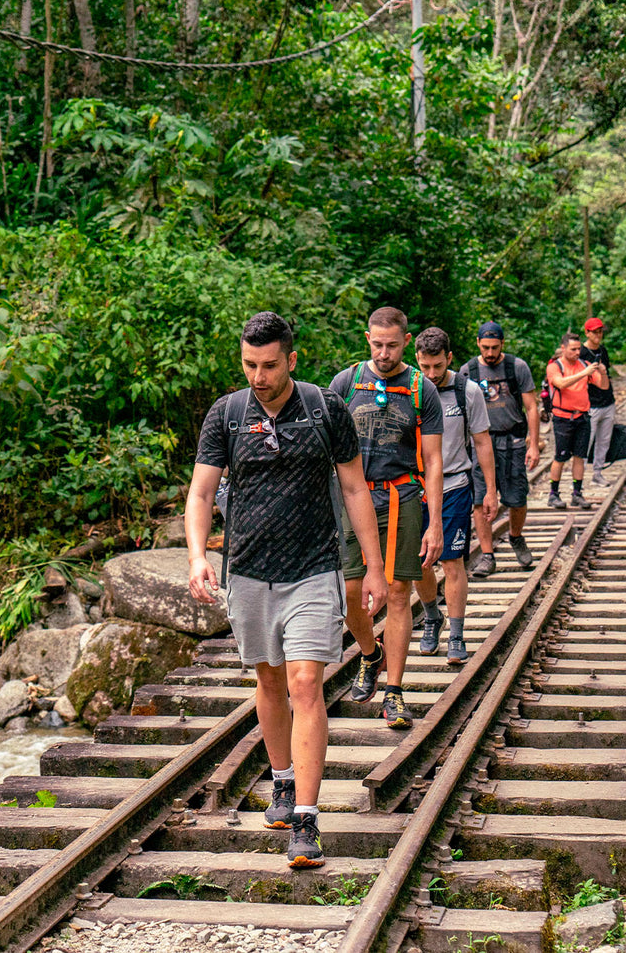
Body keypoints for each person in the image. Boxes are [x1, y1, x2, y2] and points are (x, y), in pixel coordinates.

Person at [186, 312, 389, 870]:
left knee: (305, 682)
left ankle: (305, 816)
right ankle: (279, 780)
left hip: (314, 569)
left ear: (291, 360)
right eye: (250, 365)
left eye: (270, 365)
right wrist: (199, 556)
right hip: (248, 570)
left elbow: (353, 487)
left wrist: (372, 567)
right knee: (269, 680)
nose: (259, 376)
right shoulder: (226, 416)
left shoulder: (326, 409)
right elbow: (202, 494)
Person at [329, 306, 444, 730]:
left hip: (402, 497)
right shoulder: (346, 383)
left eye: (392, 345)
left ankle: (394, 692)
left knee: (398, 593)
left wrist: (435, 523)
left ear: (406, 341)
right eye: (377, 344)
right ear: (367, 339)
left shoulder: (419, 388)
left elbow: (433, 461)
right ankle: (369, 653)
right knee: (349, 592)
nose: (383, 353)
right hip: (352, 501)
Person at [412, 327, 498, 665]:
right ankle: (433, 616)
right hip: (415, 488)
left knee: (452, 561)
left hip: (454, 486)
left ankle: (457, 633)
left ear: (449, 358)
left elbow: (481, 441)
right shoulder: (411, 389)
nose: (431, 374)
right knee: (420, 563)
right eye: (425, 367)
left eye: (437, 366)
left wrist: (490, 490)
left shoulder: (468, 391)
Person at [458, 322, 540, 576]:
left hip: (512, 441)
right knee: (480, 500)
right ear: (478, 344)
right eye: (485, 348)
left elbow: (532, 407)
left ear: (503, 344)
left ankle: (516, 536)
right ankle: (487, 554)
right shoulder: (468, 371)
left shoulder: (517, 367)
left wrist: (534, 444)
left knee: (517, 498)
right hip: (480, 442)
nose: (490, 353)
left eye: (495, 347)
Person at [545, 332, 609, 509]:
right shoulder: (554, 367)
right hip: (563, 418)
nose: (577, 352)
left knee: (580, 456)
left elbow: (603, 386)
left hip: (582, 417)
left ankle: (577, 493)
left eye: (579, 348)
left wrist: (602, 373)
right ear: (563, 348)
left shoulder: (584, 364)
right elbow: (561, 384)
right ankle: (553, 493)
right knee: (560, 456)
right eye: (573, 349)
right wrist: (584, 374)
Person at [580, 317, 616, 486]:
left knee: (604, 440)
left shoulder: (603, 351)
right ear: (587, 332)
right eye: (594, 332)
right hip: (590, 404)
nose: (598, 335)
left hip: (607, 401)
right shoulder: (580, 352)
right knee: (587, 440)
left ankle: (597, 472)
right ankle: (579, 476)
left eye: (600, 331)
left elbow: (606, 374)